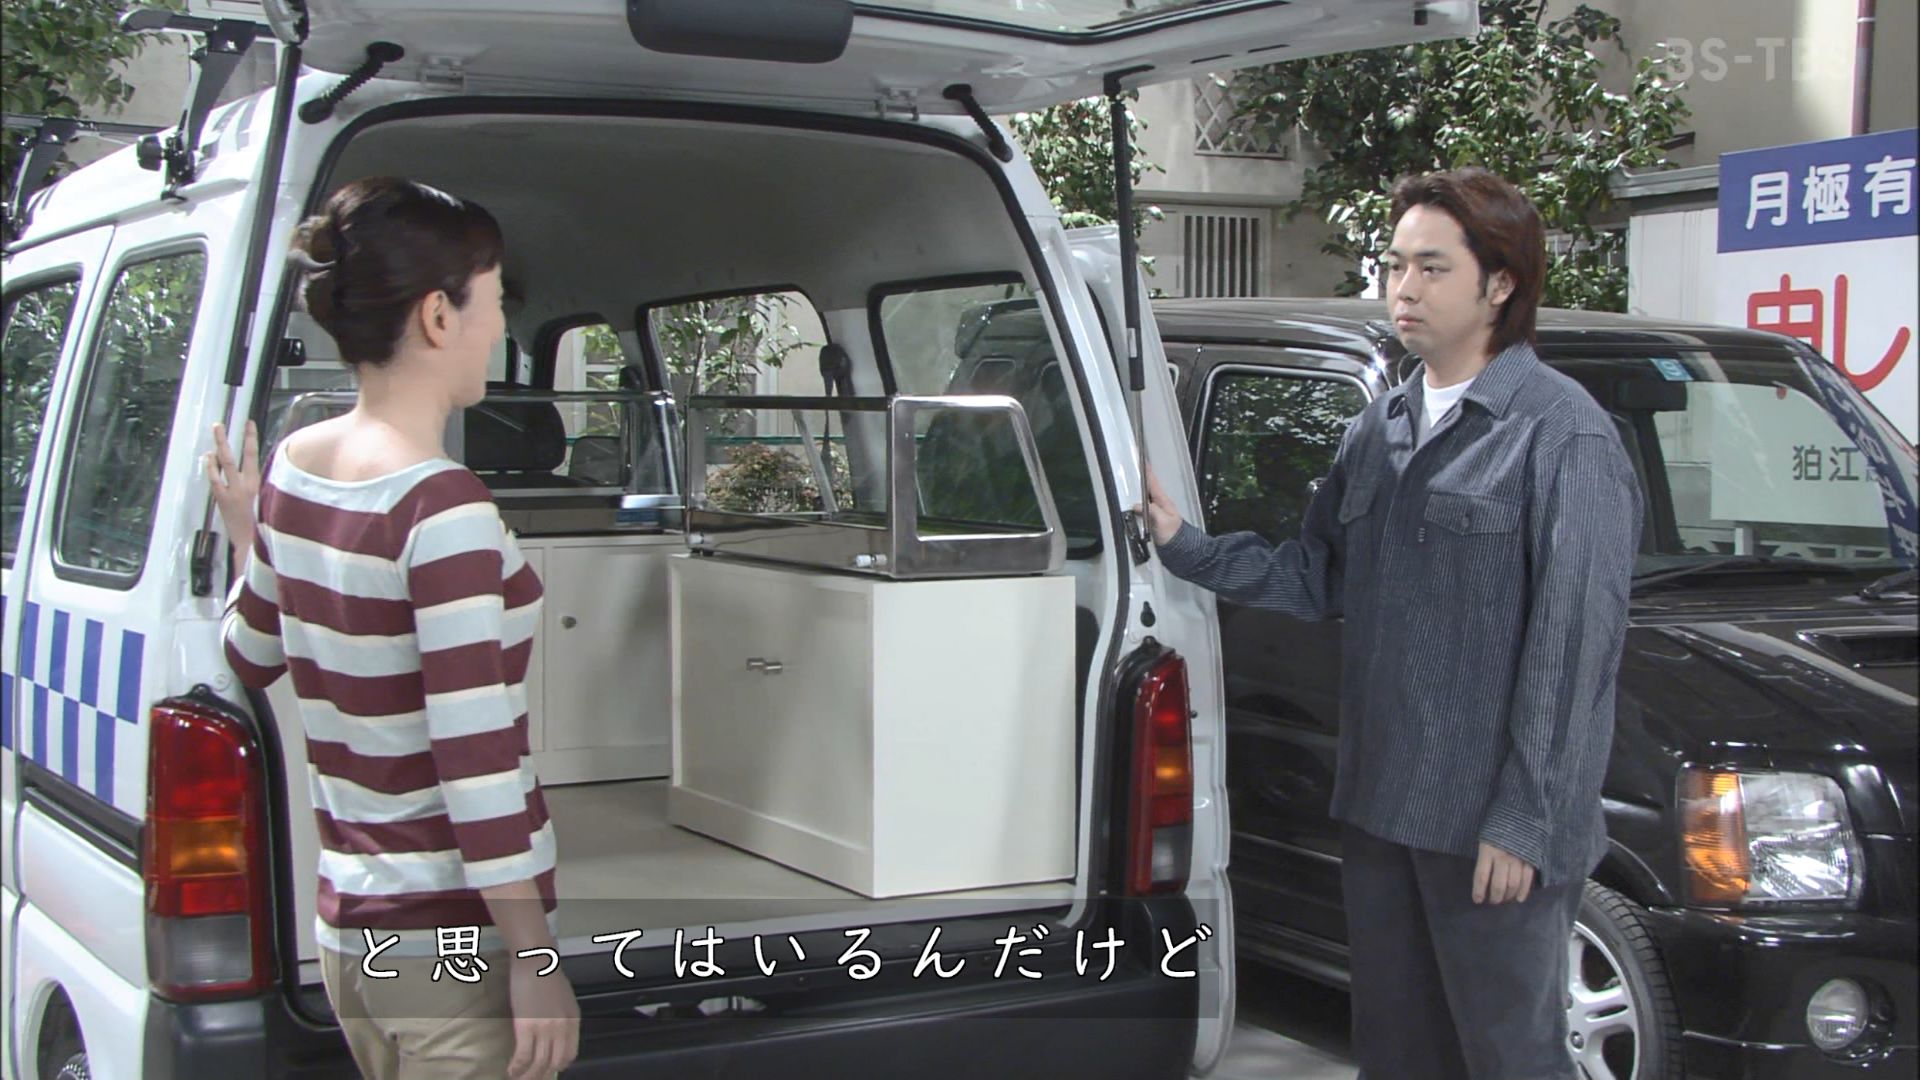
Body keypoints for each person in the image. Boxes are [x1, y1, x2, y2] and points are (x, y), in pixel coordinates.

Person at [1144, 168, 1641, 1080]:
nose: (1404, 288)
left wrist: (1524, 819)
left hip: (1490, 826)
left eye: (1432, 268)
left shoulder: (1560, 435)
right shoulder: (1380, 430)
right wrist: (1187, 547)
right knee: (1398, 1051)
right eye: (1396, 265)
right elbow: (1318, 575)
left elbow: (1573, 650)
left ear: (1500, 285)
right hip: (1383, 809)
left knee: (1509, 1057)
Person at [208, 176, 579, 1080]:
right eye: (494, 300)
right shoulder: (441, 509)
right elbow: (474, 762)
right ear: (439, 318)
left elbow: (249, 652)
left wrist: (248, 532)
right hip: (449, 942)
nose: (499, 326)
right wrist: (533, 960)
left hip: (350, 935)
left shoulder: (296, 466)